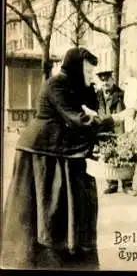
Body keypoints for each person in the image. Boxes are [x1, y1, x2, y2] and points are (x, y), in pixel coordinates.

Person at [1, 47, 123, 269]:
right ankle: (39, 256)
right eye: (87, 72)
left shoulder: (71, 85)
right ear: (76, 68)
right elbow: (79, 119)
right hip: (38, 151)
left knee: (55, 203)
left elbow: (84, 110)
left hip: (56, 150)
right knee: (42, 205)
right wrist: (113, 120)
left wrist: (90, 92)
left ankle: (61, 251)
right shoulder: (57, 84)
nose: (89, 77)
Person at [95, 68, 137, 196]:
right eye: (102, 81)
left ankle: (127, 185)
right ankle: (112, 184)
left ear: (113, 80)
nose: (105, 83)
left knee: (125, 155)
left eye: (108, 80)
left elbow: (131, 110)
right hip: (104, 129)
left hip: (120, 129)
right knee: (108, 155)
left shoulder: (122, 94)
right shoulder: (97, 96)